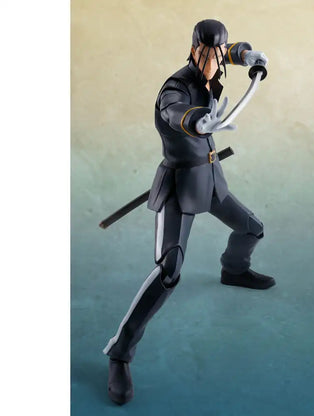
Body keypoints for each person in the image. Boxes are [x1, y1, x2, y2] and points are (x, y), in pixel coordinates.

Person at [103, 19, 275, 405]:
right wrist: (197, 120)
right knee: (169, 270)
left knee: (252, 228)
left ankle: (233, 270)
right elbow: (173, 111)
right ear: (194, 50)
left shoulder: (219, 59)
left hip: (211, 179)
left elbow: (233, 51)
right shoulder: (176, 87)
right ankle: (120, 352)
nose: (214, 61)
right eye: (206, 53)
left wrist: (249, 56)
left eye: (219, 54)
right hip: (180, 186)